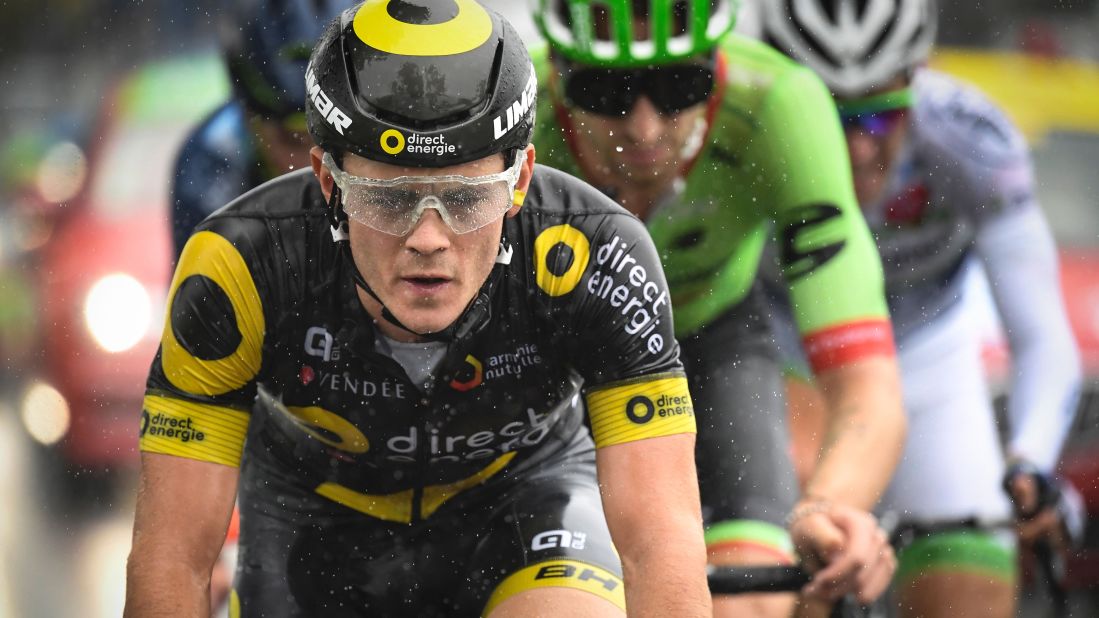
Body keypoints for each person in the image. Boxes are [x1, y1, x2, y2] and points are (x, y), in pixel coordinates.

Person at [125, 2, 712, 616]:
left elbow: (660, 542)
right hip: (313, 515)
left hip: (523, 499)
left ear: (519, 179)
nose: (428, 238)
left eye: (464, 199)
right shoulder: (240, 263)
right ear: (328, 181)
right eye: (388, 199)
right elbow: (171, 557)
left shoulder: (597, 251)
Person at [530, 0, 905, 615]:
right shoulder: (516, 113)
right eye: (605, 90)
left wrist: (829, 508)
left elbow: (868, 385)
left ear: (716, 66)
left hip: (712, 336)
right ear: (560, 78)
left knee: (758, 591)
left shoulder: (778, 104)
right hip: (561, 354)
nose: (645, 130)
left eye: (681, 84)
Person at [759, 0, 1084, 615]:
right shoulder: (746, 134)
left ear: (914, 86)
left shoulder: (966, 136)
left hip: (924, 351)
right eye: (830, 117)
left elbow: (1042, 335)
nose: (857, 150)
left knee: (970, 590)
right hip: (787, 350)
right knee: (786, 572)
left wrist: (1031, 462)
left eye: (879, 120)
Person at [170, 0, 355, 260]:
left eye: (337, 137)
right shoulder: (208, 164)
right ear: (249, 120)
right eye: (294, 139)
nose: (319, 164)